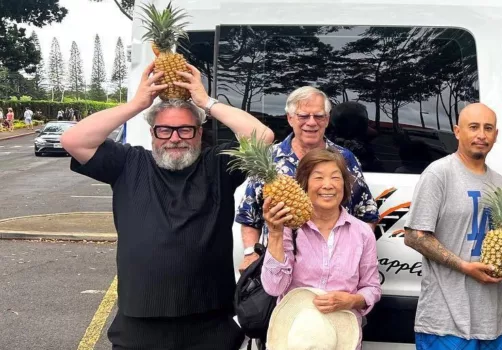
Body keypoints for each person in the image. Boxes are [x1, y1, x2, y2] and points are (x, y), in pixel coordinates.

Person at [61, 62, 274, 349]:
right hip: (140, 322)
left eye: (185, 130)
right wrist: (138, 103)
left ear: (199, 133)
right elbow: (72, 140)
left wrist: (205, 101)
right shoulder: (128, 163)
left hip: (210, 322)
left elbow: (263, 138)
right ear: (152, 133)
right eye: (165, 130)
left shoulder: (217, 166)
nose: (175, 138)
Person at [236, 86, 379, 273]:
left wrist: (355, 256)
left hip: (334, 271)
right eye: (303, 116)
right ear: (290, 118)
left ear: (327, 120)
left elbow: (367, 212)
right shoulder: (269, 159)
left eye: (319, 116)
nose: (311, 123)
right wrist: (249, 253)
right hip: (280, 268)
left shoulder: (345, 159)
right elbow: (249, 215)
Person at [403, 103, 502, 350]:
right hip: (446, 319)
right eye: (473, 127)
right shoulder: (439, 173)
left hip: (491, 320)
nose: (481, 135)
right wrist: (464, 266)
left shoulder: (498, 181)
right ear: (457, 131)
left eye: (488, 128)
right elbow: (414, 236)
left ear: (496, 135)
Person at [261, 147, 382, 350]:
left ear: (345, 185)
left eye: (336, 178)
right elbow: (274, 287)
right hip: (297, 337)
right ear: (304, 184)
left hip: (338, 338)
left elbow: (372, 288)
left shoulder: (362, 232)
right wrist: (275, 233)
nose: (328, 185)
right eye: (318, 177)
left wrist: (351, 300)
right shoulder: (289, 228)